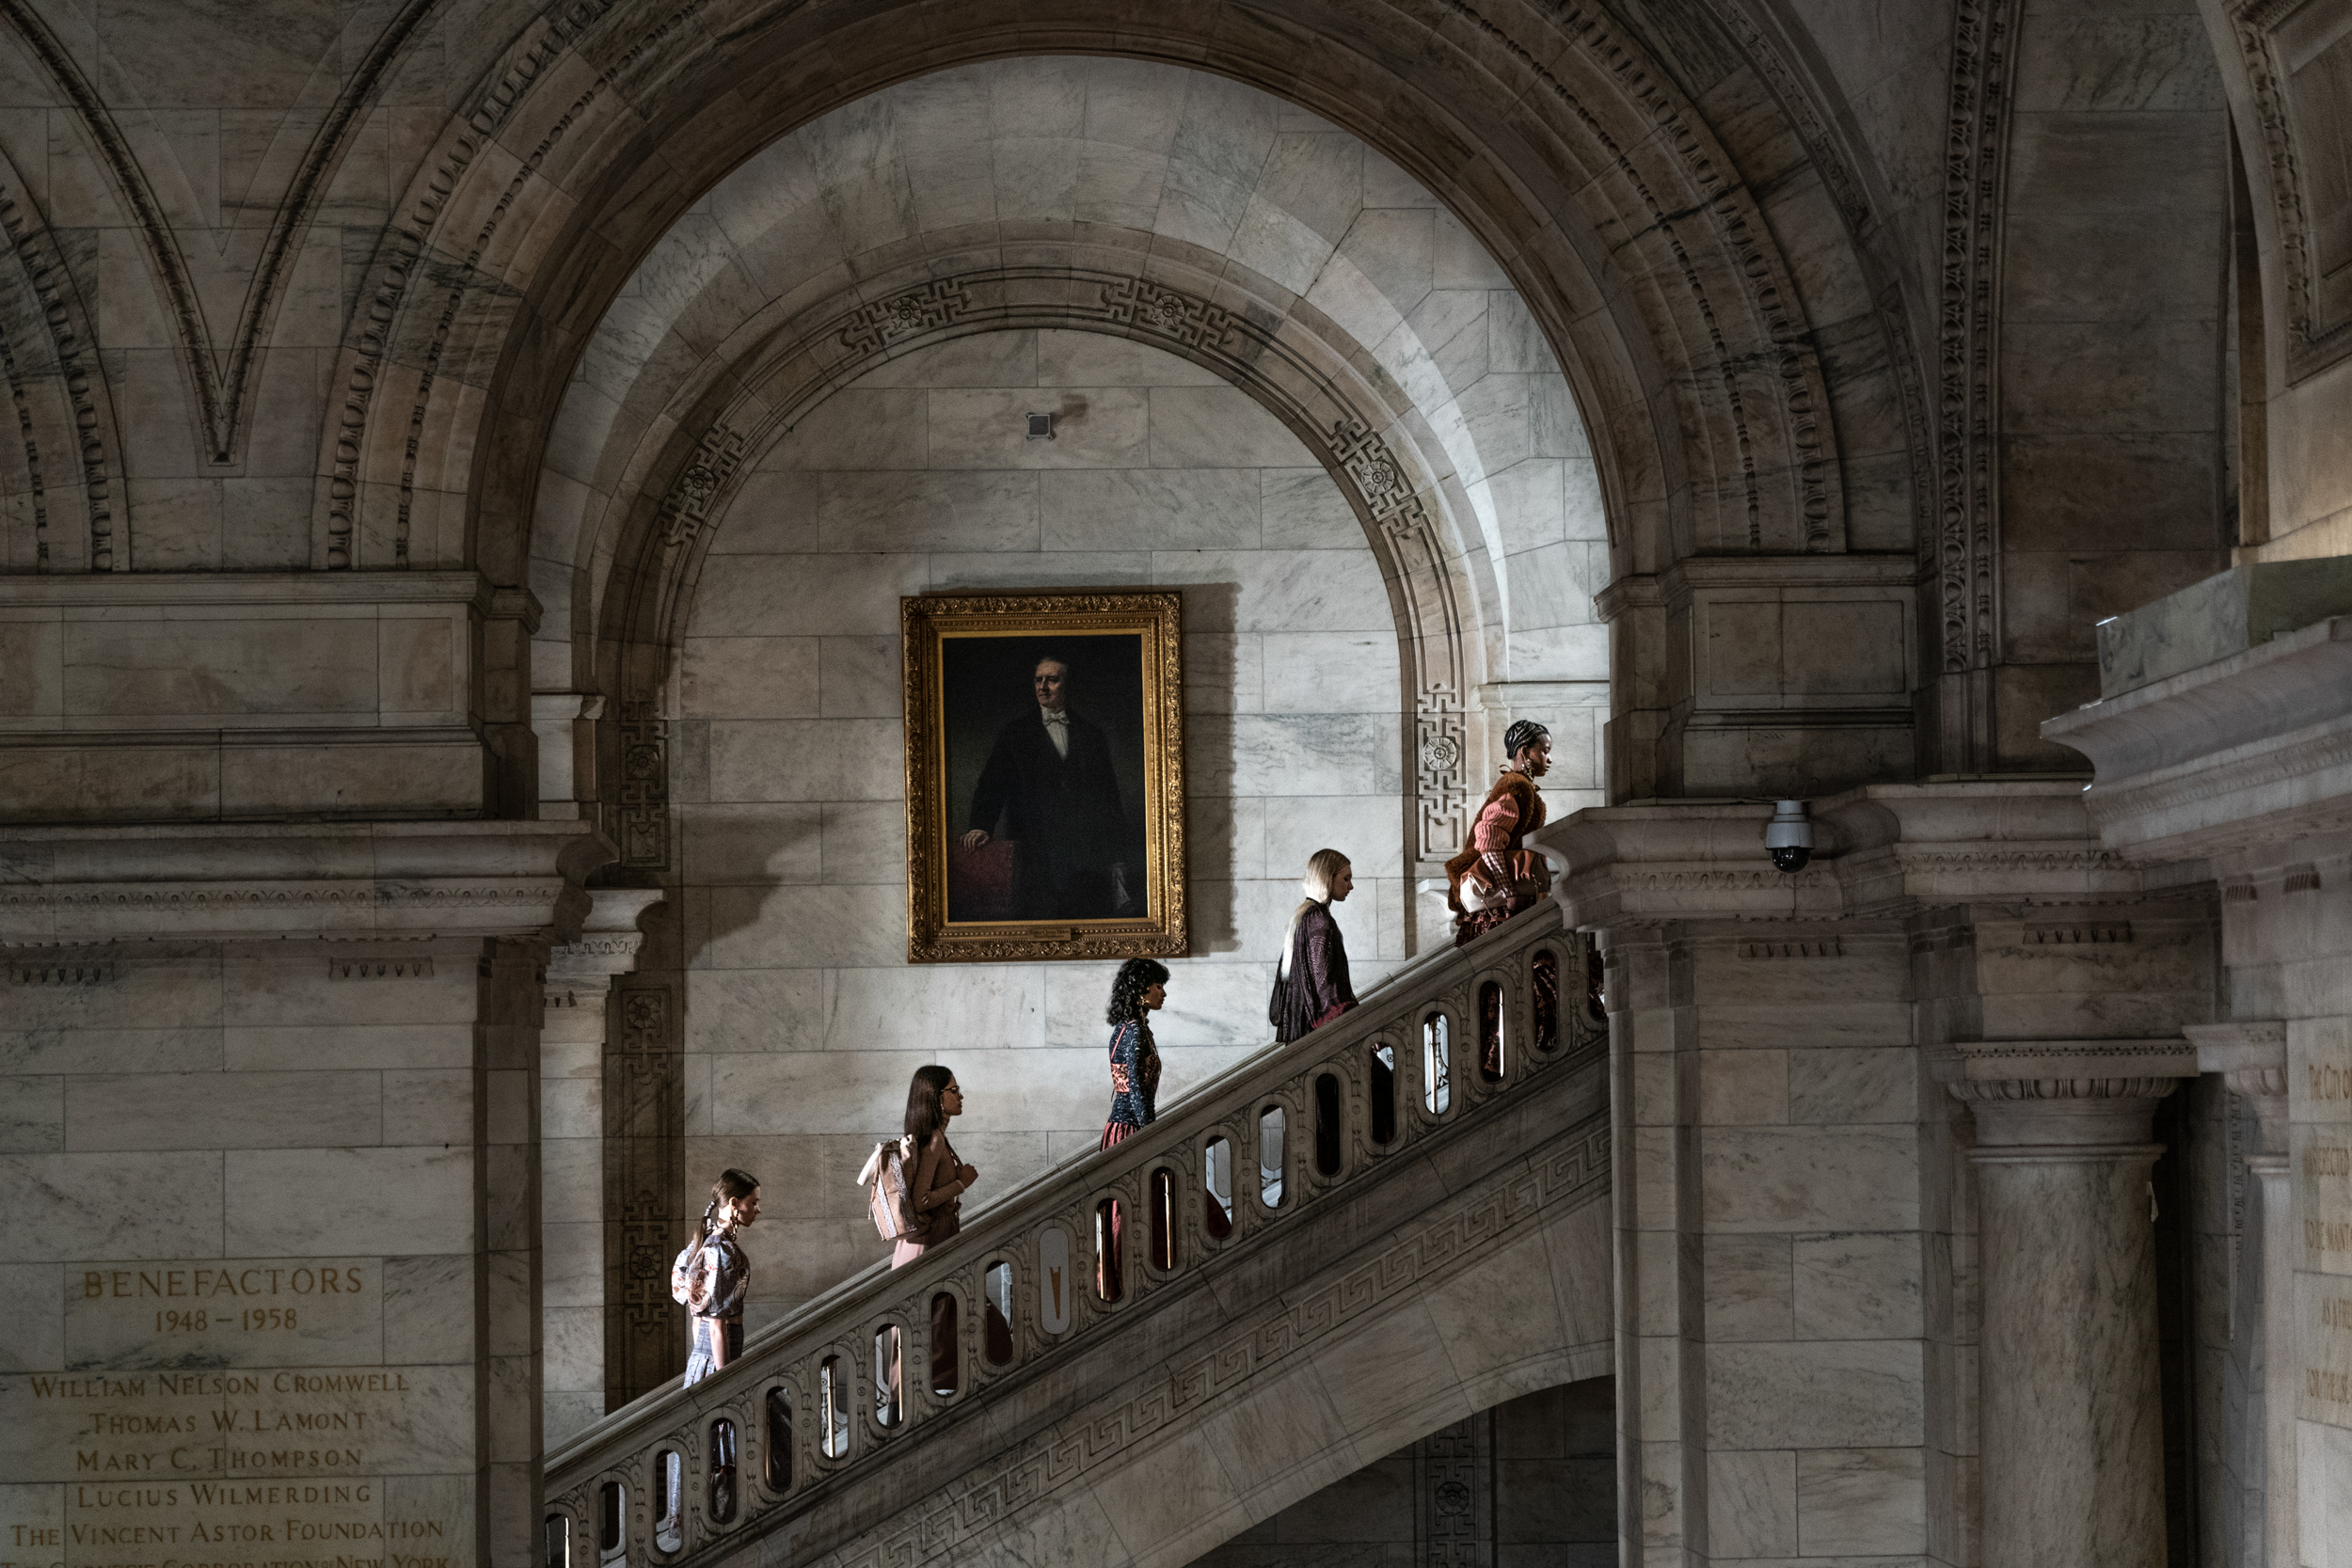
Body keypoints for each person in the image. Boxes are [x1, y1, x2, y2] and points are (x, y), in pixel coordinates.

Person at [958, 653, 1141, 919]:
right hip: (1036, 852)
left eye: (1052, 680)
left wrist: (1116, 855)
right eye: (1038, 680)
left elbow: (1109, 799)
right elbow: (991, 784)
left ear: (1067, 685)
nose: (1042, 687)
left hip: (1086, 858)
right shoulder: (1015, 734)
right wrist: (980, 825)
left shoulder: (1092, 735)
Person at [890, 1066, 977, 1402]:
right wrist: (961, 1183)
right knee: (929, 1319)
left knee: (927, 1320)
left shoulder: (936, 1136)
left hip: (928, 1241)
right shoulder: (935, 1140)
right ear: (937, 1098)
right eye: (954, 1090)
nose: (961, 1096)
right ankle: (913, 1397)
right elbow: (920, 1199)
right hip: (929, 1243)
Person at [1445, 720, 1554, 948]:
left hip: (1505, 902)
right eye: (1544, 751)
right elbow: (1489, 840)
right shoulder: (1516, 786)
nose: (1549, 759)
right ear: (1525, 752)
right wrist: (1508, 891)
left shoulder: (1521, 786)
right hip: (1500, 906)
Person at [680, 1168, 759, 1388]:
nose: (758, 1209)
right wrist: (725, 1384)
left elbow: (698, 1320)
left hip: (707, 1359)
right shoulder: (719, 1250)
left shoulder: (708, 1243)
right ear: (734, 1203)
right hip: (718, 1360)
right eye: (753, 1203)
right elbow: (716, 1325)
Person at [1270, 848, 1359, 1042]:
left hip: (1304, 1030)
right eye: (1346, 879)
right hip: (1317, 1035)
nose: (1351, 886)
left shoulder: (1305, 915)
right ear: (1328, 877)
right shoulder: (1318, 919)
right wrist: (1358, 1026)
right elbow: (1324, 985)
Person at [1101, 958, 1168, 1148]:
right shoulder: (1134, 1030)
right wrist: (1150, 1134)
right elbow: (1136, 1088)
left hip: (1125, 1126)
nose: (1164, 993)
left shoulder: (1128, 1027)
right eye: (1158, 986)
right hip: (1130, 1132)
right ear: (1141, 989)